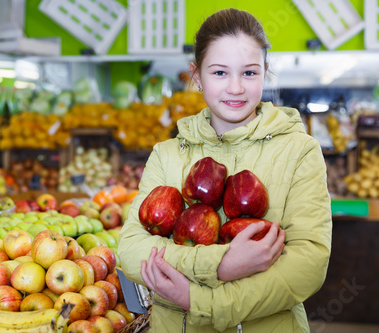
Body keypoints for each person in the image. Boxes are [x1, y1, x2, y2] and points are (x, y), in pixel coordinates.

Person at [118, 8, 332, 333]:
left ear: (265, 72)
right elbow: (132, 252)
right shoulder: (166, 154)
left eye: (249, 73)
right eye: (219, 73)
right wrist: (221, 266)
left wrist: (198, 300)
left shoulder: (299, 150)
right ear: (196, 75)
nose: (235, 88)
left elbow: (308, 264)